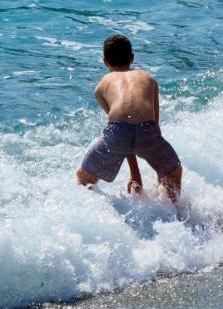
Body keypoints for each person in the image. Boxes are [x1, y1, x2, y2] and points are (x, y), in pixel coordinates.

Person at [76, 34, 183, 203]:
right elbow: (154, 128)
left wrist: (135, 173)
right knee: (173, 172)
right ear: (132, 58)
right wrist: (161, 169)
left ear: (105, 62)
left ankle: (101, 216)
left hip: (118, 133)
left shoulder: (101, 86)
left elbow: (123, 131)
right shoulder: (149, 79)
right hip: (148, 130)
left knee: (84, 177)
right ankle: (173, 213)